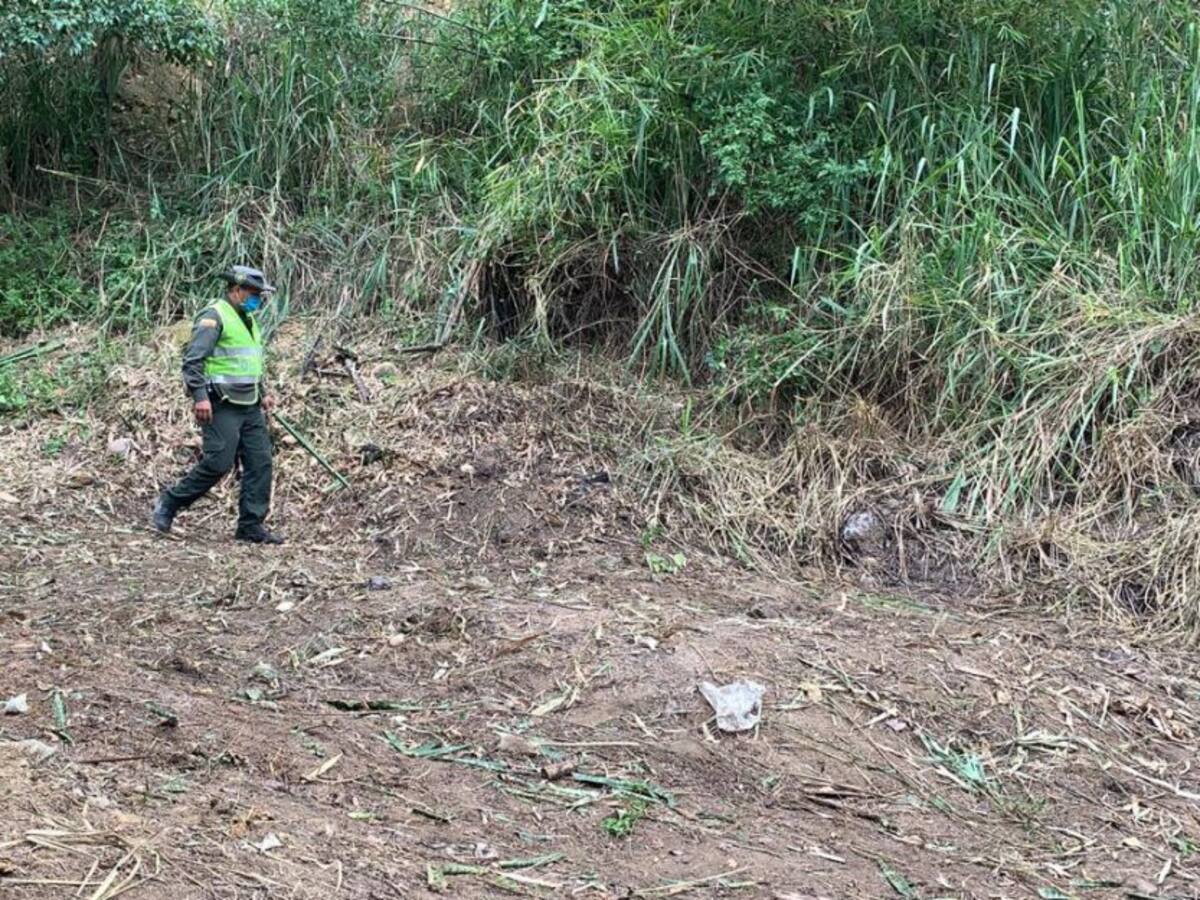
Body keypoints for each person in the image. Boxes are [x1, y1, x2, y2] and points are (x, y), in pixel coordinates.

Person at [152, 266, 283, 544]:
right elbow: (193, 360)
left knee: (261, 462)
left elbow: (249, 362)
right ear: (236, 290)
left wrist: (263, 391)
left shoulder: (247, 319)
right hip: (220, 403)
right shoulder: (214, 316)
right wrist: (199, 396)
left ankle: (250, 525)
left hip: (249, 404)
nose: (258, 299)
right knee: (219, 462)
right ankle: (170, 502)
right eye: (254, 294)